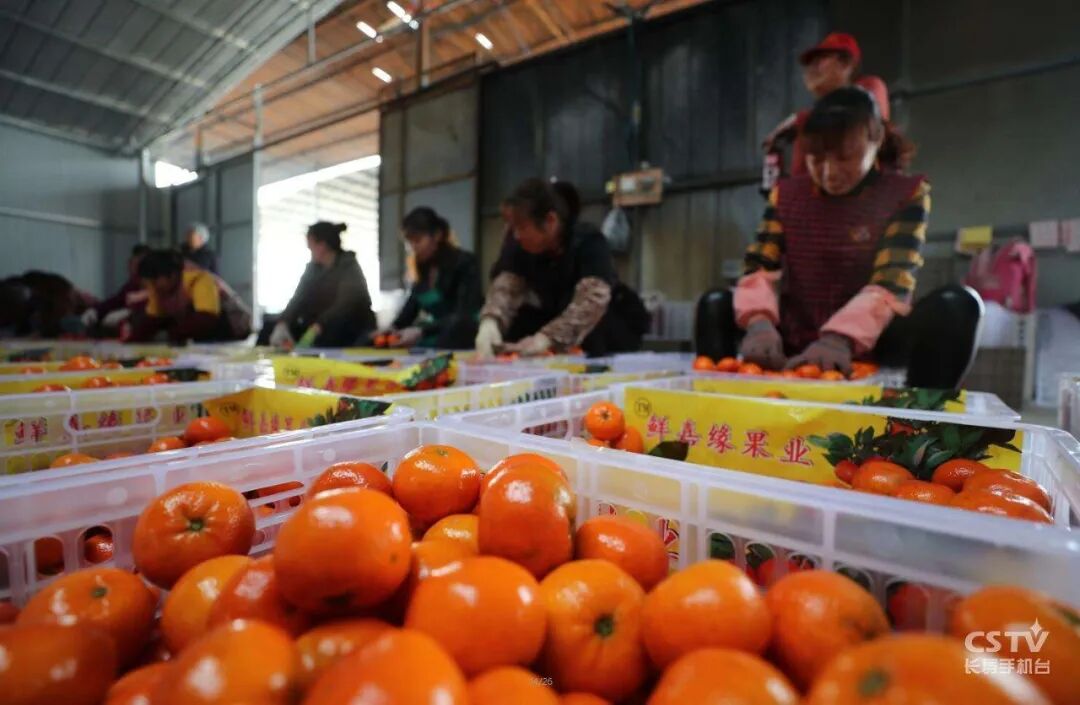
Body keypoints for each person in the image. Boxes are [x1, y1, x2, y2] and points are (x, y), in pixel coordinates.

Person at [696, 88, 980, 389]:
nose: (830, 173)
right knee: (715, 303)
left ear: (876, 138)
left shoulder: (904, 193)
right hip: (793, 334)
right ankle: (719, 397)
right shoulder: (787, 195)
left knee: (957, 305)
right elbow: (759, 266)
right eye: (816, 159)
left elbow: (891, 281)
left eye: (845, 157)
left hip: (871, 340)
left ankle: (921, 412)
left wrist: (839, 339)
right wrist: (759, 324)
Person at [476, 178, 649, 357]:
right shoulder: (519, 245)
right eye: (513, 229)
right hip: (554, 314)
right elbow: (507, 285)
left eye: (522, 228)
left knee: (593, 324)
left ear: (550, 221)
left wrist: (546, 339)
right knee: (518, 323)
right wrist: (491, 321)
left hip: (607, 325)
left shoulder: (589, 241)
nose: (517, 235)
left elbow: (592, 300)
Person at [763, 33, 898, 181]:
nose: (810, 69)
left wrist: (797, 120)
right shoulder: (810, 123)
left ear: (845, 63)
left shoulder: (871, 87)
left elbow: (857, 114)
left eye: (819, 60)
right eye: (808, 64)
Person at [379, 207, 482, 349]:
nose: (413, 247)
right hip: (435, 334)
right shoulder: (422, 270)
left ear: (437, 235)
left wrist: (422, 331)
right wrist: (392, 328)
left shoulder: (465, 262)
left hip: (463, 336)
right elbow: (411, 308)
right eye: (409, 243)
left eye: (418, 240)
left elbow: (463, 314)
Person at [267, 221, 376, 348]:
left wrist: (320, 324)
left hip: (348, 328)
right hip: (319, 328)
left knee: (333, 330)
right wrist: (283, 322)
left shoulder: (348, 266)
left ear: (322, 245)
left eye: (311, 246)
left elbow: (346, 304)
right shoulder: (313, 269)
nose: (309, 250)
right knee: (269, 325)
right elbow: (298, 298)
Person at [131, 249, 251, 343]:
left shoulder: (199, 278)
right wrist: (133, 340)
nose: (153, 287)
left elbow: (207, 318)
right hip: (206, 333)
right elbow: (154, 319)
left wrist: (171, 334)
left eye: (154, 282)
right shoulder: (157, 287)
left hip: (233, 329)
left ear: (172, 275)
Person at [81, 244, 151, 335]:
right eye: (132, 265)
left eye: (139, 267)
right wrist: (95, 311)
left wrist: (130, 313)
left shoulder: (157, 288)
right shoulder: (131, 286)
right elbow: (114, 302)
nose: (133, 272)